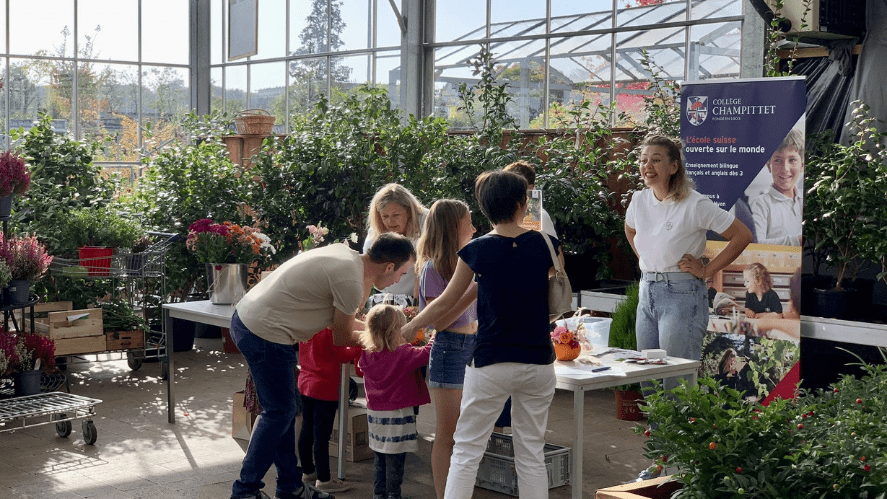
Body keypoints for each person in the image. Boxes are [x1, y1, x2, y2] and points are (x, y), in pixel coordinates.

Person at [403, 170, 560, 499]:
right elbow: (552, 289)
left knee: (466, 451)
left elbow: (446, 301)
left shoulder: (477, 250)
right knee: (530, 453)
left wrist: (411, 325)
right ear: (522, 204)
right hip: (538, 360)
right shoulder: (547, 245)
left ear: (484, 209)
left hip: (491, 361)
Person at [229, 233, 416, 499]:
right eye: (402, 273)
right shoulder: (351, 281)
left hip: (252, 322)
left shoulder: (347, 256)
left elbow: (341, 323)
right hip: (264, 333)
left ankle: (290, 487)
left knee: (284, 411)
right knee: (280, 412)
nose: (399, 280)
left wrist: (388, 332)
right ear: (389, 266)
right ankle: (245, 490)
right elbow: (340, 336)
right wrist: (390, 341)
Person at [625, 135, 752, 482]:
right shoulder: (638, 200)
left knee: (676, 383)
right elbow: (630, 229)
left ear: (673, 166)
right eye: (643, 160)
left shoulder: (695, 204)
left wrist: (707, 270)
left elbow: (741, 235)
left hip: (682, 295)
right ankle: (660, 461)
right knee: (649, 381)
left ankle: (683, 464)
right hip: (647, 292)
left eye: (655, 160)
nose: (646, 166)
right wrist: (648, 262)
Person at [415, 199, 479, 499]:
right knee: (448, 433)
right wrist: (476, 291)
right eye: (469, 222)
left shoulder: (468, 261)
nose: (475, 227)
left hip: (473, 346)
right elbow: (439, 323)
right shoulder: (432, 268)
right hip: (449, 349)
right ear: (454, 227)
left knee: (466, 431)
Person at [358, 304, 434, 499]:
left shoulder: (367, 354)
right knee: (395, 460)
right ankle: (393, 494)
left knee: (380, 457)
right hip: (398, 415)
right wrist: (435, 336)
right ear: (395, 331)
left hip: (375, 415)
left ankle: (379, 494)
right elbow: (427, 354)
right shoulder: (403, 354)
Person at [297, 328, 362, 493]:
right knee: (321, 436)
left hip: (305, 383)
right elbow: (343, 355)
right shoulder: (330, 331)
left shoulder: (308, 325)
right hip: (324, 387)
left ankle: (308, 471)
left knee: (307, 429)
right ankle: (324, 479)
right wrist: (360, 345)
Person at [363, 183, 428, 307]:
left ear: (409, 211)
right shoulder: (376, 228)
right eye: (385, 216)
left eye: (396, 215)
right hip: (386, 294)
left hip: (420, 293)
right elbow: (368, 269)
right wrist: (359, 307)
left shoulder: (426, 222)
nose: (390, 222)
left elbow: (422, 268)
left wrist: (416, 305)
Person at [751, 129, 804, 246]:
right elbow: (756, 244)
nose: (785, 168)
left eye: (792, 160)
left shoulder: (807, 201)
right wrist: (799, 240)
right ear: (769, 166)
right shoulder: (760, 204)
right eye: (778, 160)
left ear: (802, 166)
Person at [503, 160, 558, 239]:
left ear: (530, 188)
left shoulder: (541, 217)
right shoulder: (505, 213)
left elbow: (554, 248)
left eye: (514, 186)